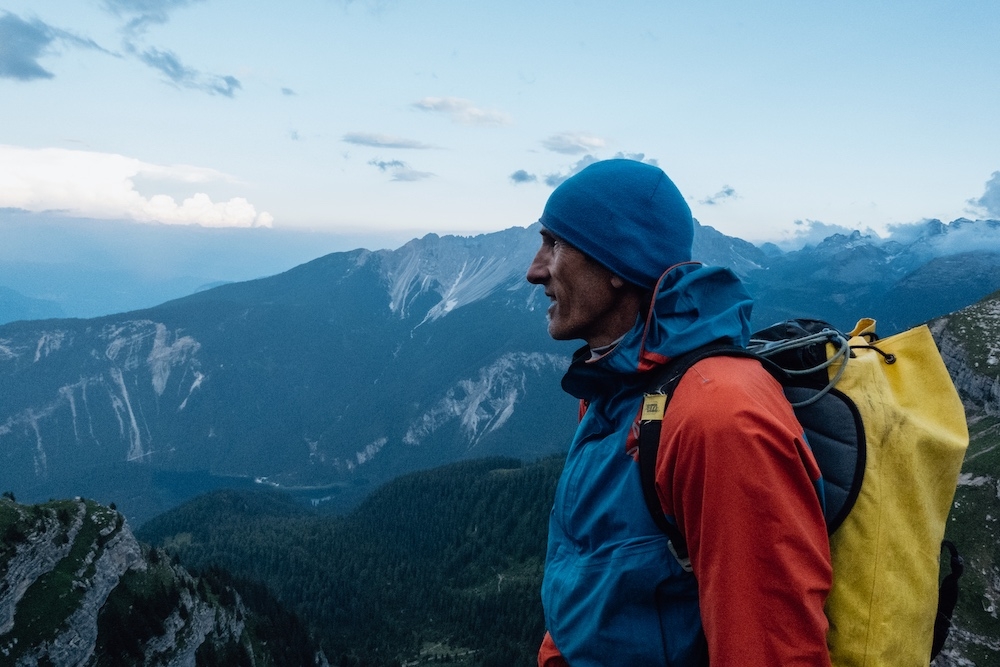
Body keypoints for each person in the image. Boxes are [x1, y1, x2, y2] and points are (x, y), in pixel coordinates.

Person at [526, 159, 832, 666]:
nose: (535, 269)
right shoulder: (614, 389)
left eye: (555, 244)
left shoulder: (719, 418)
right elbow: (586, 575)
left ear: (617, 264)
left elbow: (767, 648)